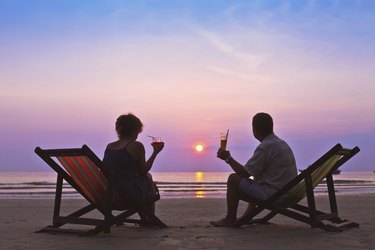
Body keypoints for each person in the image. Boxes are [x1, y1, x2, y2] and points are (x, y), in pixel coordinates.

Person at [211, 112, 297, 227]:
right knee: (256, 179)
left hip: (276, 195)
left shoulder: (265, 147)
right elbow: (252, 174)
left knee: (233, 179)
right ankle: (247, 216)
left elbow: (245, 173)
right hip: (289, 193)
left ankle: (230, 219)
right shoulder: (280, 143)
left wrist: (228, 158)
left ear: (254, 129)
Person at [103, 113, 164, 225]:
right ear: (136, 130)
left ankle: (145, 218)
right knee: (147, 177)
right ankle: (148, 218)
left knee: (141, 180)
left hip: (107, 195)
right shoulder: (136, 146)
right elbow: (143, 170)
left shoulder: (109, 146)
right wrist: (155, 152)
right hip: (125, 196)